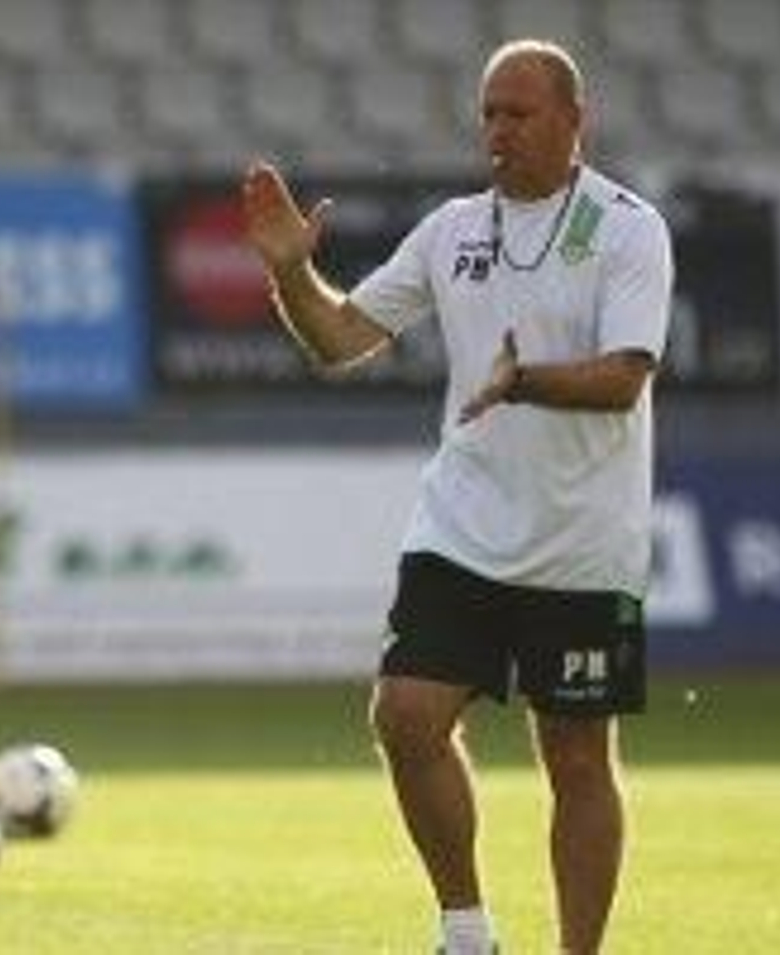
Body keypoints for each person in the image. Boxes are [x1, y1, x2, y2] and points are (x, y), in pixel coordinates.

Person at [241, 39, 673, 955]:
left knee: (577, 757)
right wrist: (288, 270)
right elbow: (342, 336)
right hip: (464, 528)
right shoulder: (451, 230)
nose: (498, 130)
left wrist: (522, 382)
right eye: (488, 113)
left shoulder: (629, 228)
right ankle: (467, 934)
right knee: (404, 716)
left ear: (573, 120)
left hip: (583, 542)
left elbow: (624, 378)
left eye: (518, 112)